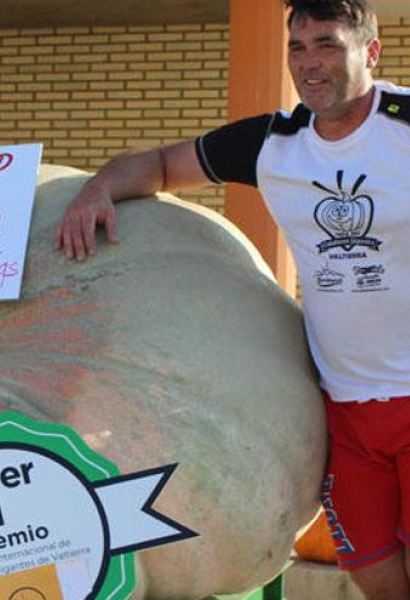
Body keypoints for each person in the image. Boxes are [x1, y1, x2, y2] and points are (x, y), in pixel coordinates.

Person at [55, 0, 410, 598]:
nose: (309, 64)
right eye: (296, 48)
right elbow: (162, 165)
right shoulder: (276, 142)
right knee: (375, 577)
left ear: (370, 52)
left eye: (327, 44)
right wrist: (98, 189)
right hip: (346, 410)